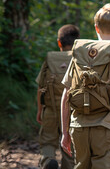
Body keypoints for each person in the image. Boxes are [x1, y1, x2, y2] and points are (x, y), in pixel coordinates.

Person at [60, 4, 110, 169]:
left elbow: (66, 95)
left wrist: (65, 132)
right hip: (108, 128)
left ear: (96, 27)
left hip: (79, 127)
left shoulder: (79, 54)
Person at [36, 24, 79, 169]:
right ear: (76, 42)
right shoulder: (79, 58)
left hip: (51, 110)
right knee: (70, 148)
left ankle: (48, 161)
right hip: (72, 114)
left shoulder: (50, 58)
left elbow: (40, 87)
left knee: (47, 142)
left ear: (59, 42)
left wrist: (40, 109)